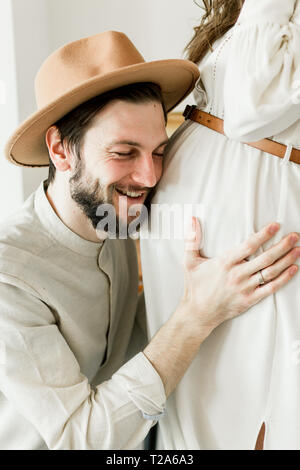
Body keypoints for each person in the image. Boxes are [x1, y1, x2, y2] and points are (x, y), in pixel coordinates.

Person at [0, 30, 298, 451]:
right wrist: (195, 316)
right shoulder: (8, 279)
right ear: (61, 151)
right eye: (124, 153)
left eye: (158, 151)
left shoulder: (117, 223)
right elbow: (79, 441)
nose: (150, 177)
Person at [140, 0, 300, 450]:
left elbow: (253, 106)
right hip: (185, 222)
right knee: (194, 395)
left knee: (255, 396)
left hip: (256, 212)